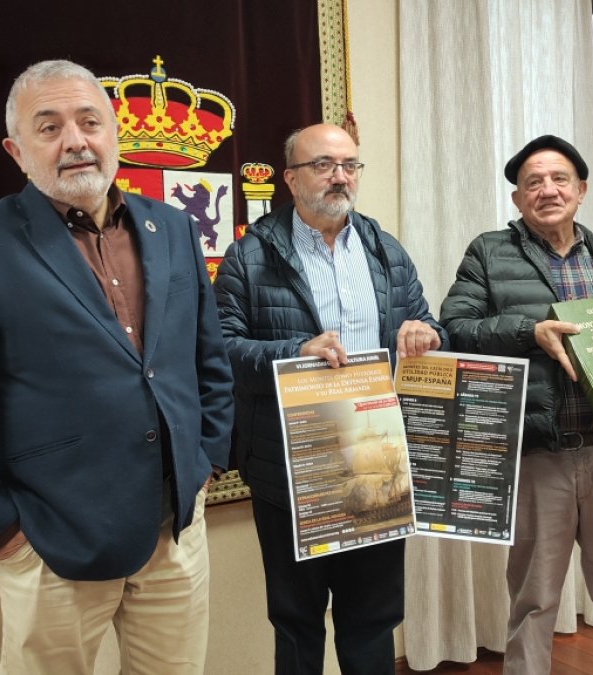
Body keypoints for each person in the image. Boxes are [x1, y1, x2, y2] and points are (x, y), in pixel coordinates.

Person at [0, 59, 234, 675]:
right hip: (52, 541)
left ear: (114, 133)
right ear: (16, 149)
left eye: (90, 122)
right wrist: (4, 534)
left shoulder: (174, 229)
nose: (75, 140)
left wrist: (205, 459)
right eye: (49, 126)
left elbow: (206, 360)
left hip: (176, 535)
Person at [439, 135, 593, 675]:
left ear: (581, 190)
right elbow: (456, 328)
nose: (547, 190)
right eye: (533, 182)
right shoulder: (488, 252)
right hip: (538, 454)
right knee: (533, 601)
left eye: (558, 180)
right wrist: (532, 331)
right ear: (517, 199)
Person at [213, 123, 448, 675]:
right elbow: (220, 351)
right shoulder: (248, 257)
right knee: (297, 623)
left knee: (372, 619)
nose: (339, 176)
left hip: (378, 461)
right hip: (292, 471)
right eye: (322, 165)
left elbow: (428, 323)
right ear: (291, 178)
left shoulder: (386, 251)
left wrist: (424, 334)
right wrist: (297, 352)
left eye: (350, 165)